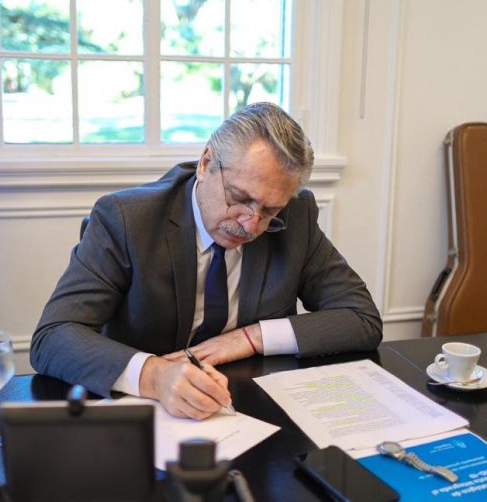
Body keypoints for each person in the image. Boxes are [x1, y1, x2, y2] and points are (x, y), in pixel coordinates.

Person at [29, 102, 382, 419]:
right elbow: (53, 337)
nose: (250, 223)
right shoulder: (125, 219)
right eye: (240, 198)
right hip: (145, 417)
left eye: (270, 210)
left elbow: (361, 318)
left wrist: (250, 338)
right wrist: (154, 376)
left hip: (247, 408)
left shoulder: (296, 217)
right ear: (206, 163)